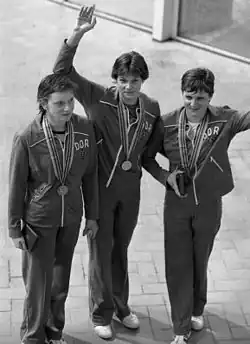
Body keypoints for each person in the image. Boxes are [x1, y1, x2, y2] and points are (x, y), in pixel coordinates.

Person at [53, 5, 162, 340]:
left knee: (121, 249)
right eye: (123, 80)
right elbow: (61, 72)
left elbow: (149, 156)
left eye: (135, 80)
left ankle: (121, 305)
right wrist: (78, 34)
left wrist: (169, 177)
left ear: (143, 80)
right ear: (115, 79)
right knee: (101, 251)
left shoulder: (151, 108)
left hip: (131, 191)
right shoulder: (98, 97)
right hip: (101, 188)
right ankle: (101, 313)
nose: (129, 86)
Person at [142, 67, 250, 344]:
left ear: (210, 97)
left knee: (199, 260)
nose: (193, 104)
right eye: (189, 96)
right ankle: (180, 327)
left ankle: (197, 308)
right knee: (178, 264)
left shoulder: (225, 119)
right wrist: (166, 177)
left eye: (200, 98)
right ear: (182, 94)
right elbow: (147, 157)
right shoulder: (165, 123)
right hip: (177, 203)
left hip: (209, 204)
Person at [8, 73, 99, 344]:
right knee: (38, 284)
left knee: (60, 282)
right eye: (60, 103)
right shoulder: (27, 138)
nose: (68, 108)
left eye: (71, 101)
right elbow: (16, 186)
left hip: (70, 218)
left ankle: (54, 331)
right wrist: (15, 228)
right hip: (39, 221)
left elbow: (90, 175)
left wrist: (92, 216)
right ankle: (33, 337)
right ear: (44, 104)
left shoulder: (84, 129)